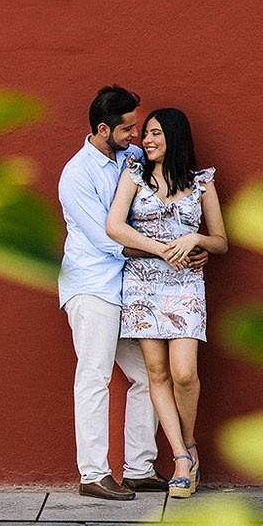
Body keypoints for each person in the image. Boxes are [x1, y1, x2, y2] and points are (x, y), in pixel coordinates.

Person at [104, 107, 227, 498]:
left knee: (184, 373)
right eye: (146, 134)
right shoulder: (134, 177)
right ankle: (180, 458)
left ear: (175, 136)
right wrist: (161, 250)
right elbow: (115, 227)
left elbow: (222, 242)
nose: (148, 140)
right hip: (142, 286)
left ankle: (187, 445)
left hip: (186, 286)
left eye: (156, 133)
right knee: (156, 373)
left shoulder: (202, 184)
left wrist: (196, 240)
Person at [56, 85, 161, 500]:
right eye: (128, 128)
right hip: (92, 286)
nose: (136, 135)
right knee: (95, 377)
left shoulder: (130, 158)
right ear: (102, 129)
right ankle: (94, 475)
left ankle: (138, 467)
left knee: (147, 375)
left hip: (127, 288)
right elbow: (107, 238)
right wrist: (163, 253)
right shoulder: (76, 175)